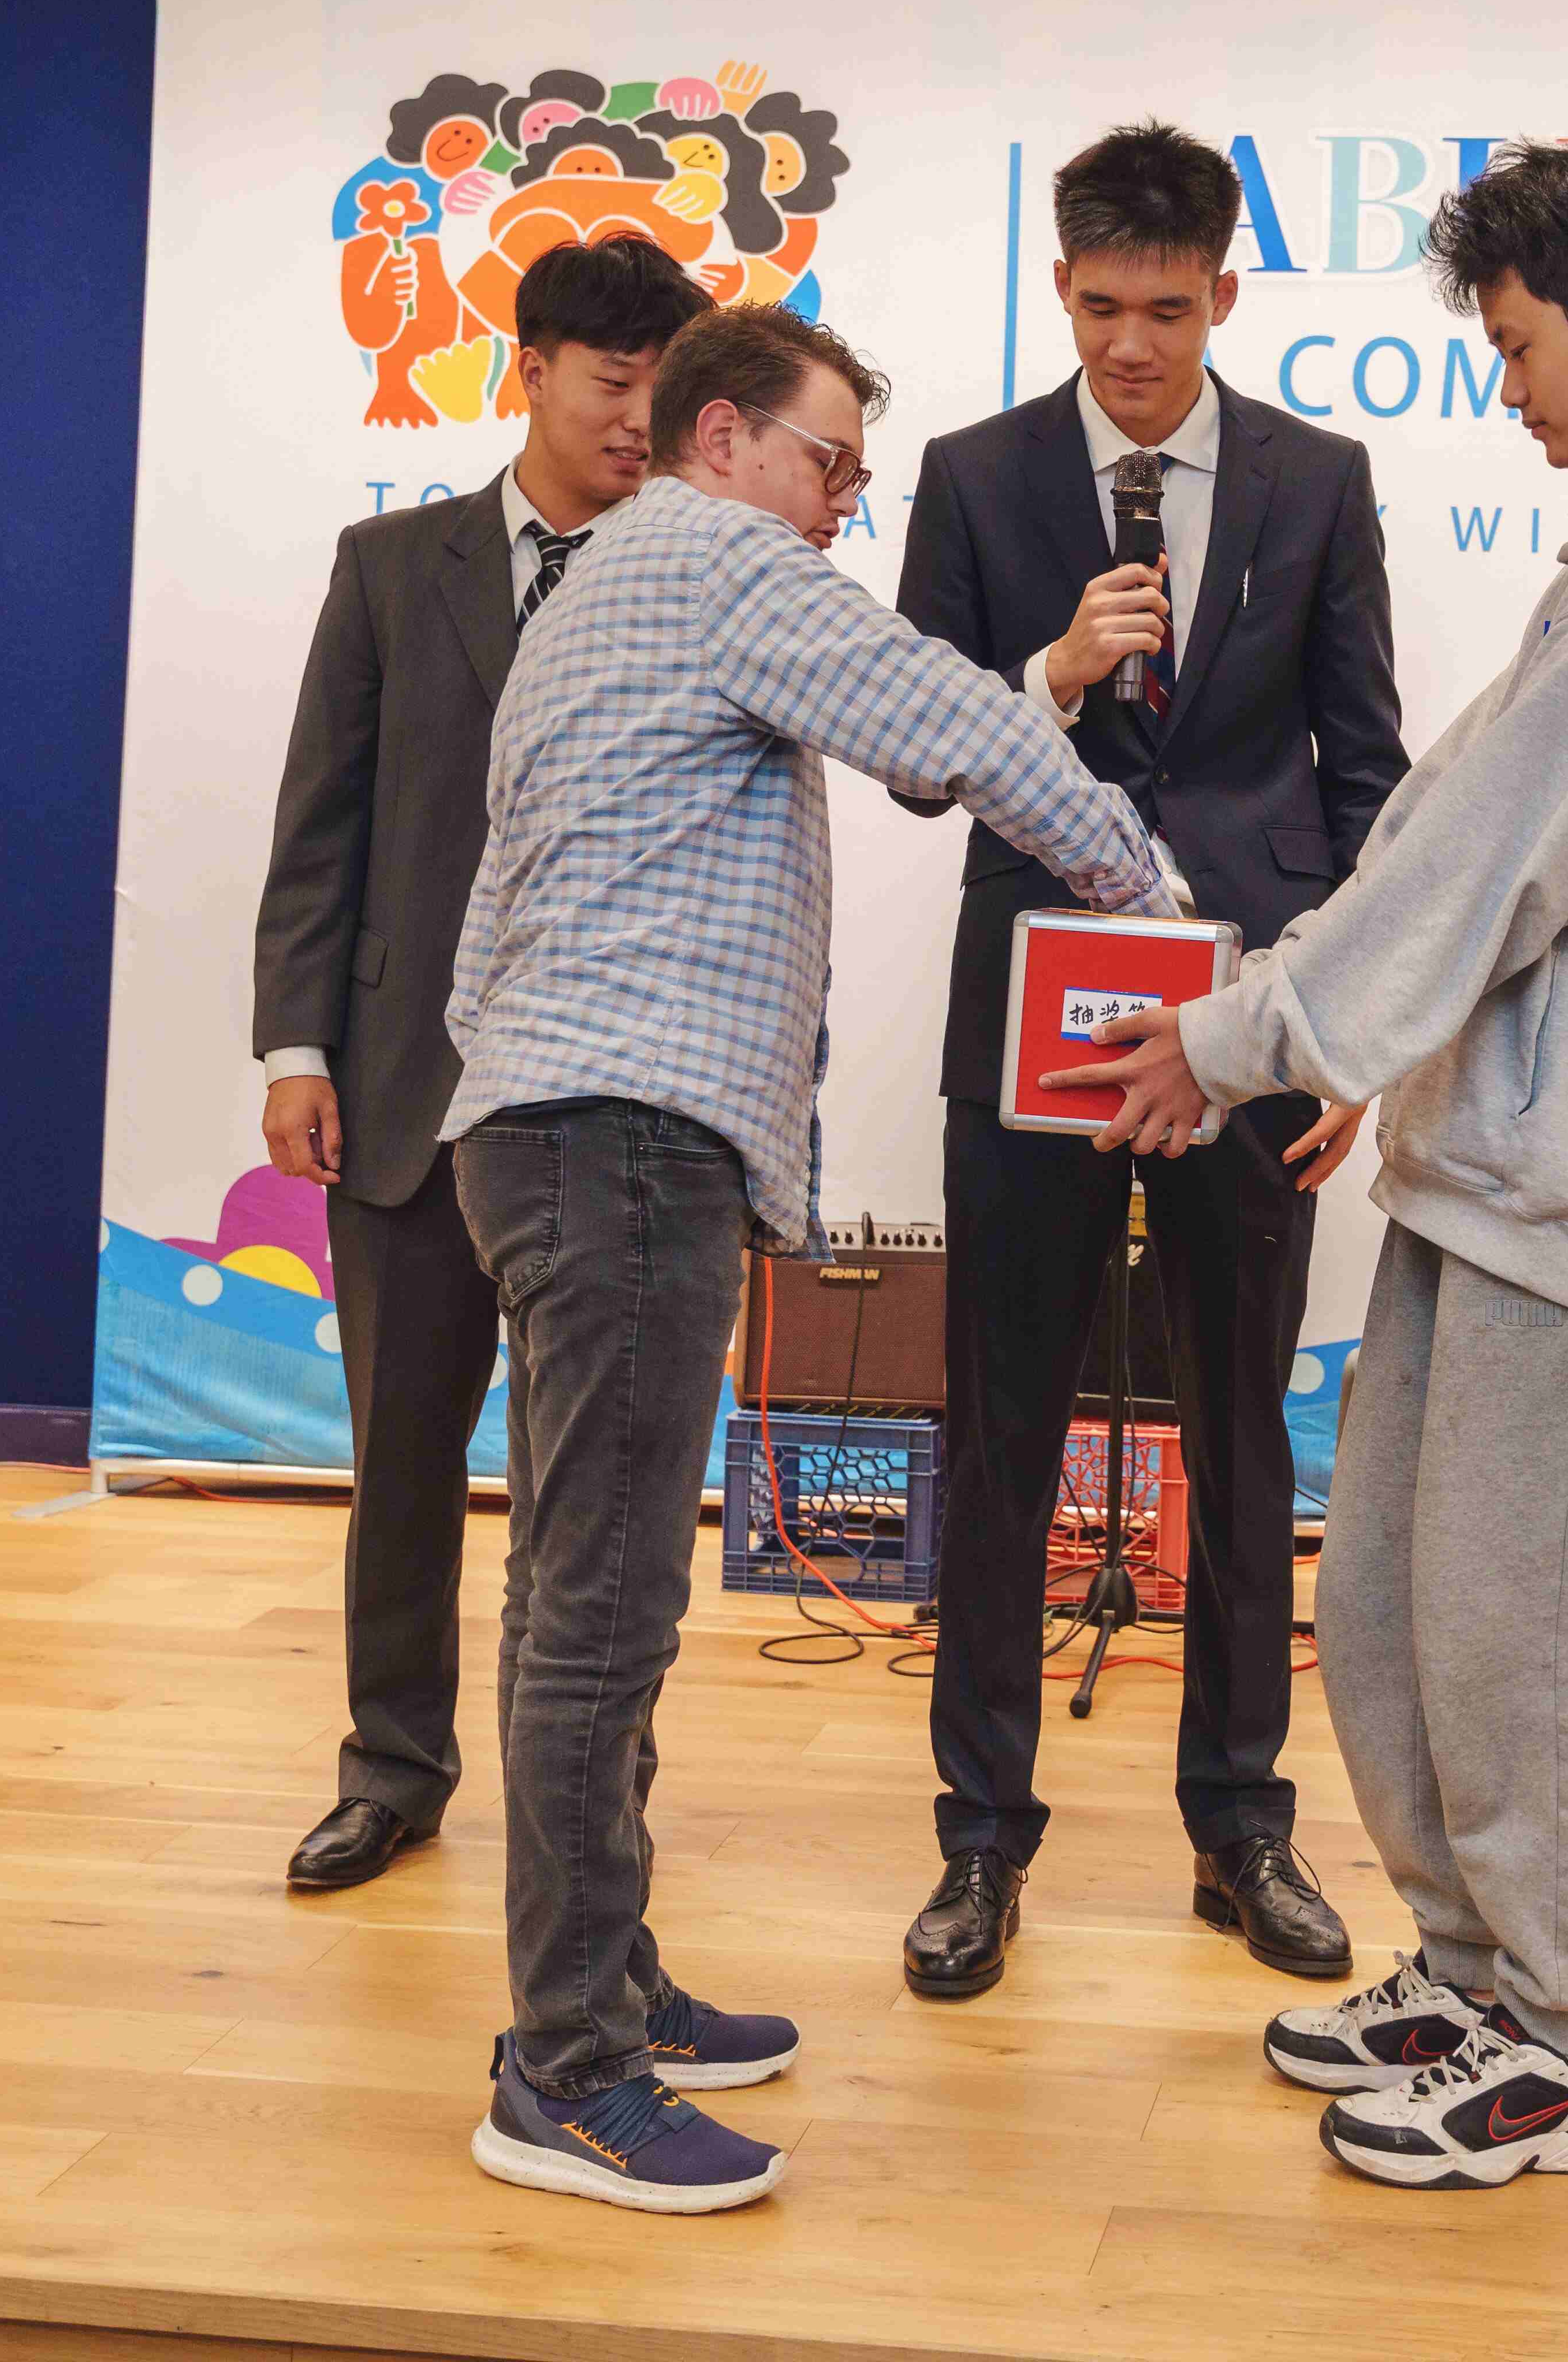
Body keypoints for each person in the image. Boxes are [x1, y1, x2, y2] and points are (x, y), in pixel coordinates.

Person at [1052, 134, 1568, 2192]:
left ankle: (1559, 2041)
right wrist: (1306, 1029)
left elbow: (1468, 876)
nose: (1512, 386)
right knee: (1397, 1606)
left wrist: (1239, 1036)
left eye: (1527, 345)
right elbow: (1450, 867)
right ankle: (1471, 1970)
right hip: (1491, 1182)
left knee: (1524, 1640)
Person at [442, 303, 1189, 2216]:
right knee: (601, 1614)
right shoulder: (719, 558)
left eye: (858, 474)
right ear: (721, 439)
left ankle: (604, 1983)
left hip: (546, 1126)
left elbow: (491, 903)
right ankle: (566, 2073)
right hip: (621, 1140)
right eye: (829, 461)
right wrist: (1157, 905)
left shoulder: (593, 593)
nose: (846, 503)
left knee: (569, 1599)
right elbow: (957, 723)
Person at [886, 121, 1409, 2000]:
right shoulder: (975, 477)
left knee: (1242, 1435)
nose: (1131, 344)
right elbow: (912, 752)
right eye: (1102, 306)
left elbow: (1366, 774)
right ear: (1060, 285)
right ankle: (980, 1841)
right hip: (1036, 1019)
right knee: (1004, 1432)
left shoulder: (1316, 481)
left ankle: (1241, 1826)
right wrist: (1048, 673)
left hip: (1255, 1026)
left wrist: (1354, 1034)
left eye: (1168, 312)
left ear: (1225, 295)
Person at [252, 236, 712, 1895]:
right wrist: (297, 1046)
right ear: (532, 372)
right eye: (614, 384)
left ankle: (588, 1789)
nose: (639, 421)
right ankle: (392, 1765)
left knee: (599, 1488)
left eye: (666, 392)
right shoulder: (392, 567)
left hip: (607, 1099)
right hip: (402, 1088)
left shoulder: (696, 579)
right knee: (404, 1456)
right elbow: (323, 823)